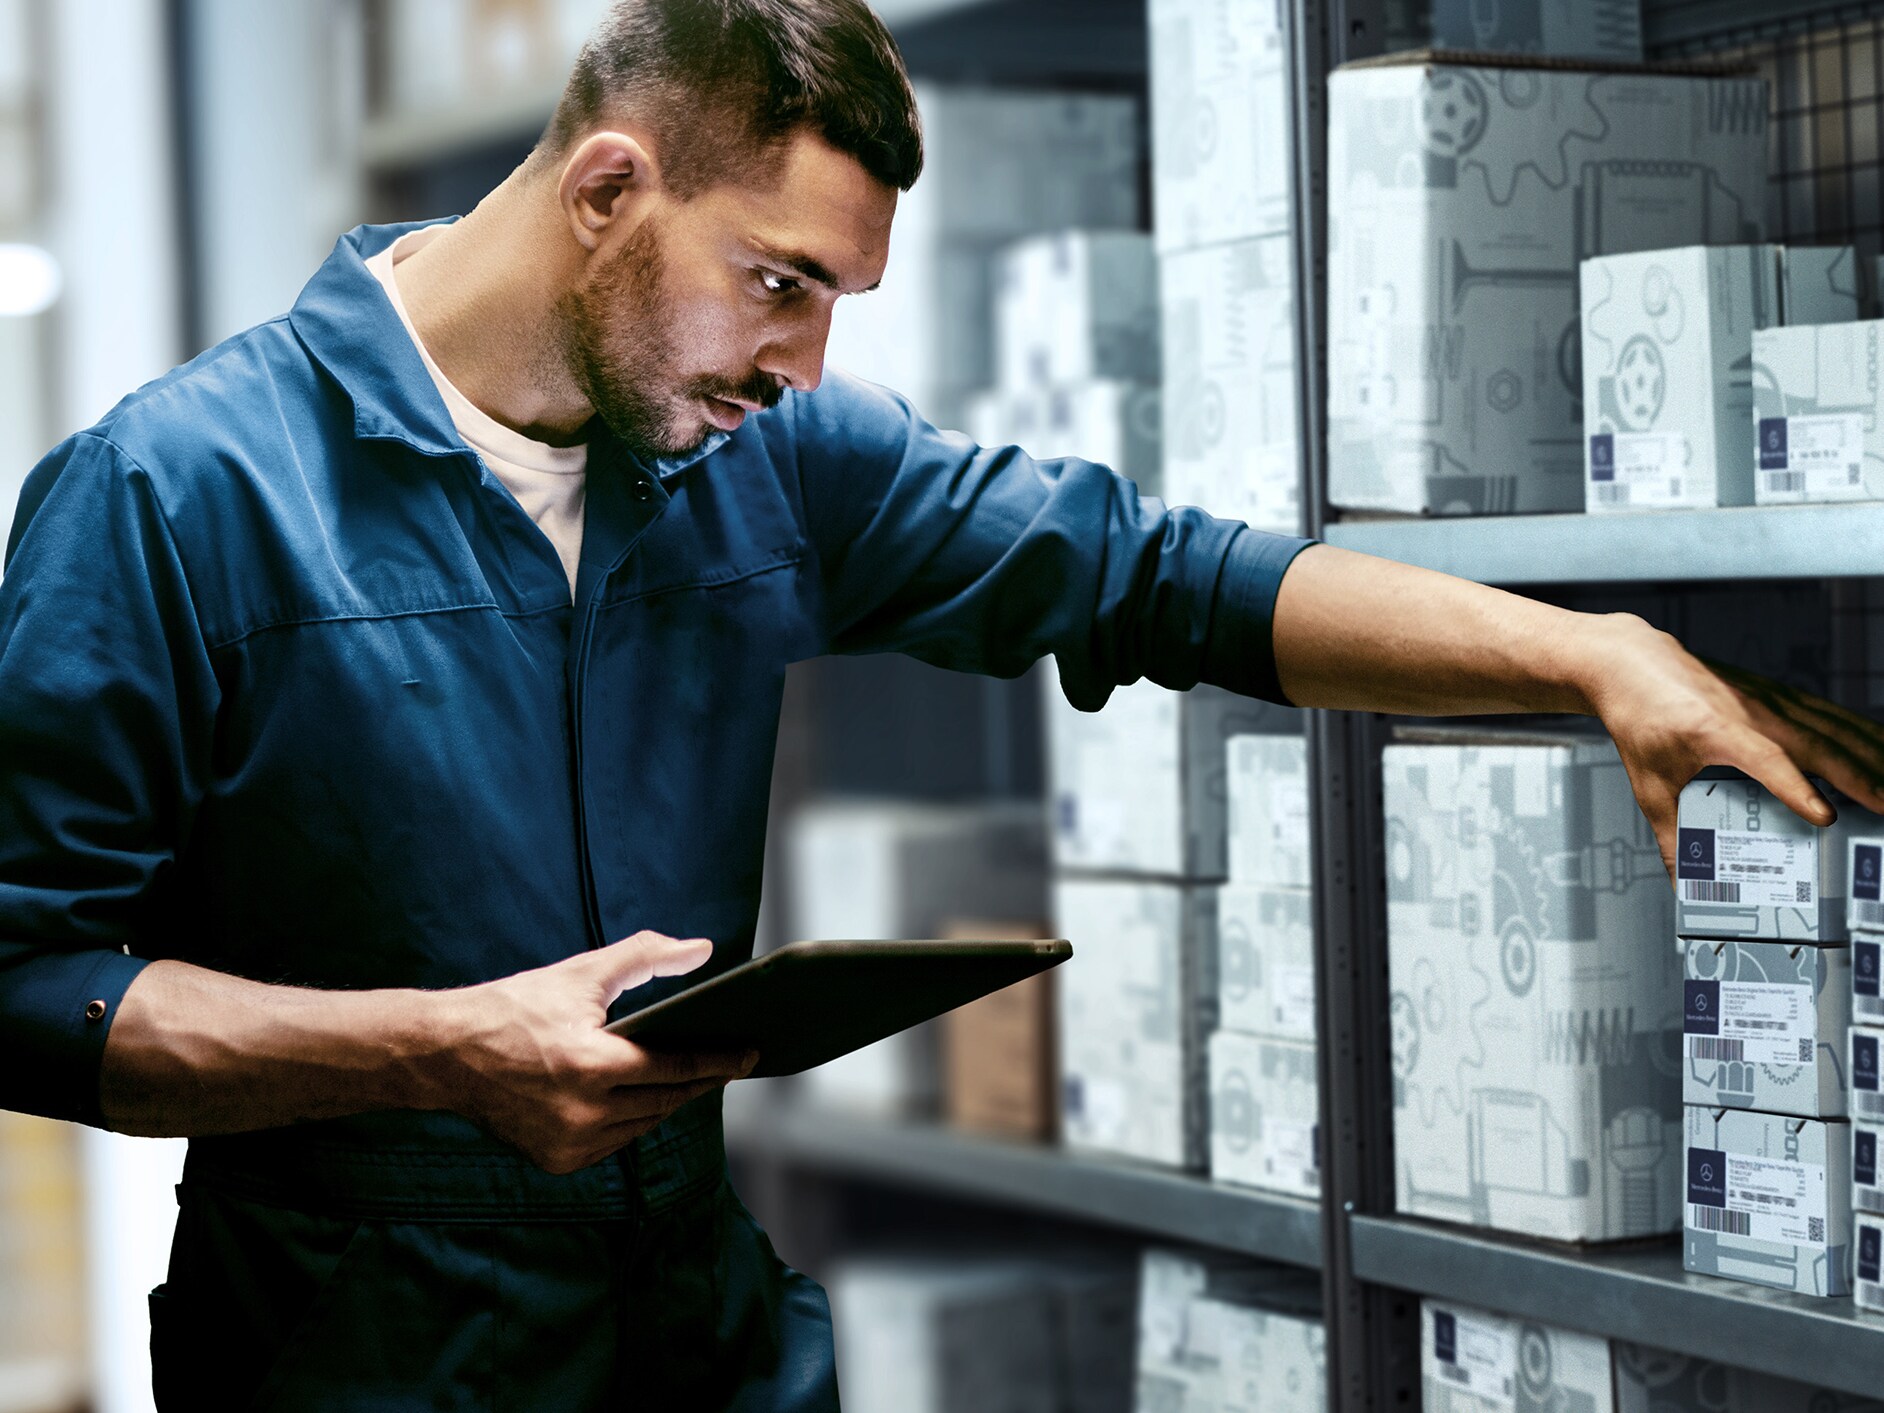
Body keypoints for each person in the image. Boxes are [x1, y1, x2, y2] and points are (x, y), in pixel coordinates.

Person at [2, 0, 1880, 1408]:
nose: (807, 359)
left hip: (705, 1342)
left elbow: (1164, 574)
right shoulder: (171, 497)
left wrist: (1599, 655)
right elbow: (25, 984)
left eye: (838, 302)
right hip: (358, 1369)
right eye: (779, 283)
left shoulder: (769, 459)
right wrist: (440, 1049)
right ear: (603, 190)